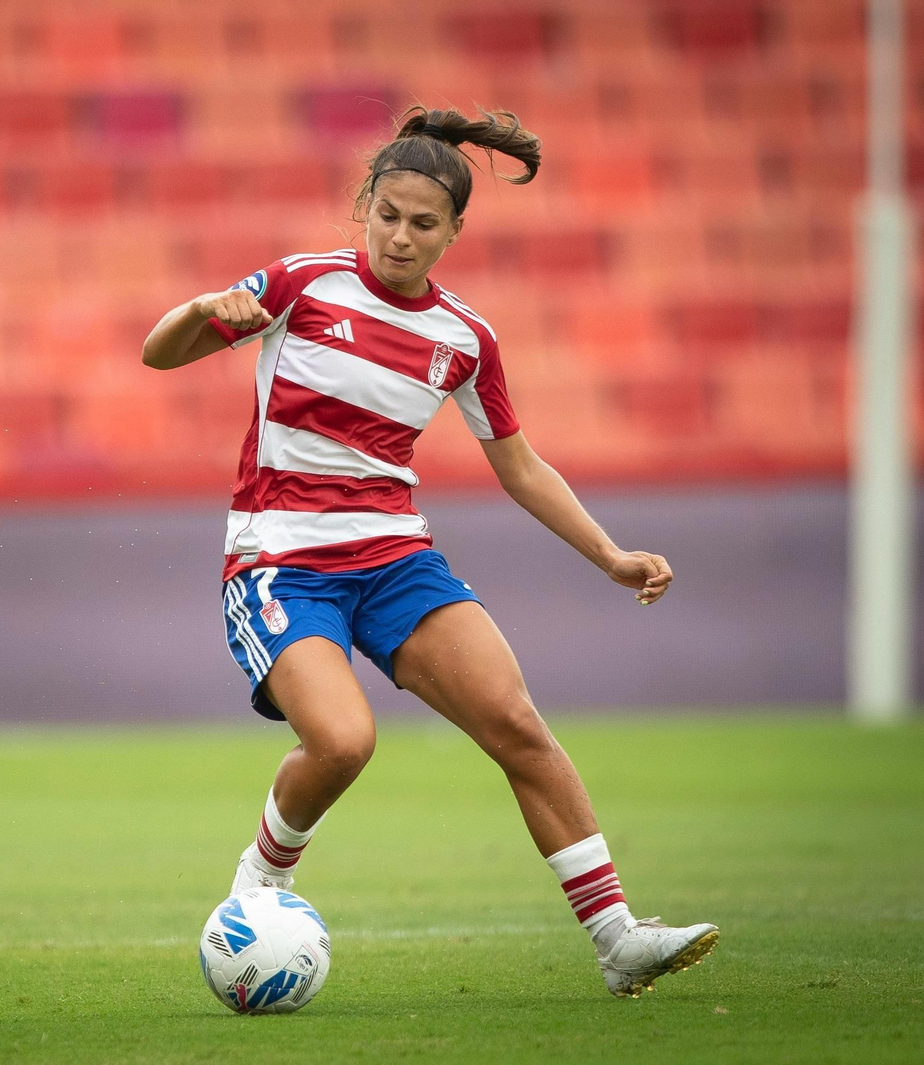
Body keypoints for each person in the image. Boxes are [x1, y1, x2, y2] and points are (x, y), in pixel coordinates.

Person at [141, 106, 717, 998]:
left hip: (397, 562)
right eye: (387, 215)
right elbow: (158, 355)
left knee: (518, 725)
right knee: (342, 742)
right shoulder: (301, 283)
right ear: (364, 205)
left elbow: (519, 467)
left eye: (422, 223)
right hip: (280, 562)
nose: (399, 237)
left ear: (454, 232)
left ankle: (618, 939)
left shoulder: (464, 339)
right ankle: (260, 886)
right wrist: (198, 309)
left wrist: (610, 555)